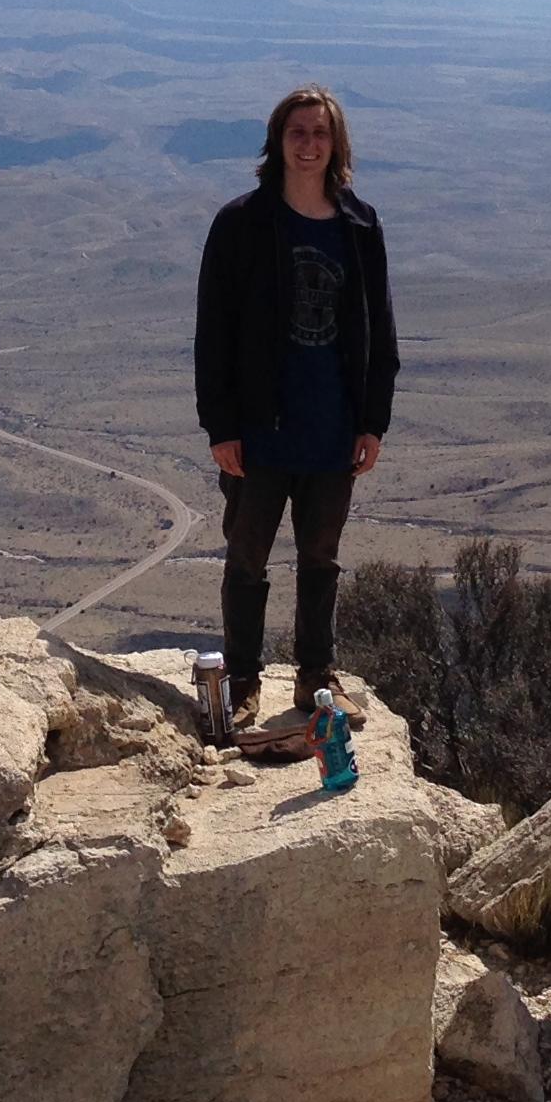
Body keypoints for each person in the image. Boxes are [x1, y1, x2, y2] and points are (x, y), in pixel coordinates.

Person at [194, 85, 399, 731]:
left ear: (337, 146)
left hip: (332, 424)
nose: (309, 145)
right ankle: (247, 680)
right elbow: (213, 331)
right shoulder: (243, 224)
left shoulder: (360, 227)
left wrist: (373, 420)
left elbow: (381, 330)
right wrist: (222, 426)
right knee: (247, 559)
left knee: (321, 558)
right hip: (259, 427)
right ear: (277, 143)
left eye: (320, 134)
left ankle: (316, 676)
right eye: (297, 133)